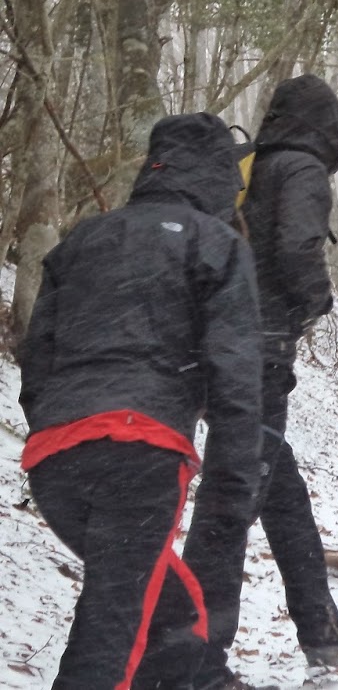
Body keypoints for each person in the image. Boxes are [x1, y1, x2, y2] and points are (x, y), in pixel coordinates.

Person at [18, 113, 265, 690]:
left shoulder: (84, 239)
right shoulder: (215, 243)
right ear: (217, 176)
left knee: (176, 614)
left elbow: (38, 358)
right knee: (113, 626)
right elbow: (236, 373)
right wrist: (233, 486)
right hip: (141, 451)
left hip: (56, 456)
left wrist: (57, 423)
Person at [189, 74, 338, 690]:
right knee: (231, 500)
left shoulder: (247, 166)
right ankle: (195, 659)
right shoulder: (301, 169)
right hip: (256, 352)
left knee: (278, 490)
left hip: (214, 347)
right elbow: (297, 248)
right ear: (324, 126)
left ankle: (322, 634)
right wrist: (312, 305)